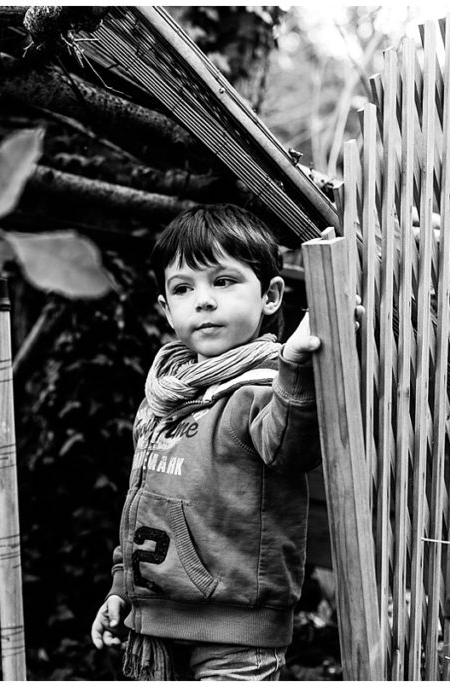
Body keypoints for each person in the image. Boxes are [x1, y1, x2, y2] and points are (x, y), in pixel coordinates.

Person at [90, 204, 358, 680]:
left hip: (236, 634)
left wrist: (297, 365)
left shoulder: (268, 387)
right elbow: (143, 505)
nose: (204, 300)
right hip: (152, 622)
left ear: (271, 295)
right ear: (165, 308)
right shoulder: (163, 398)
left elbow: (291, 448)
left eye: (224, 281)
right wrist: (121, 588)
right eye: (183, 288)